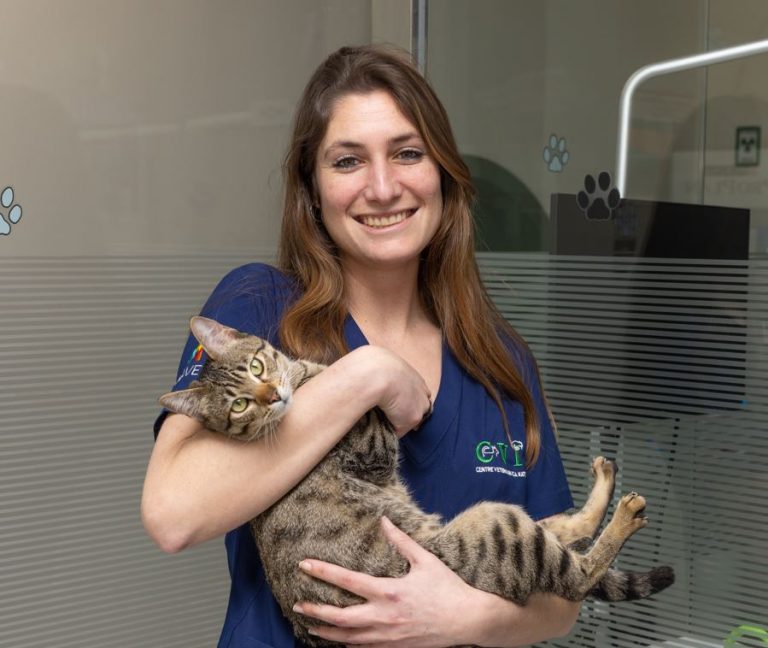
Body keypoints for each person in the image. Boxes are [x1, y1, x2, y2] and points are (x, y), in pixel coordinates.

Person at [142, 44, 579, 647]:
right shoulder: (259, 306)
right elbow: (172, 514)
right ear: (313, 189)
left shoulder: (501, 361)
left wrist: (461, 618)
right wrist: (365, 376)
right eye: (348, 161)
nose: (382, 187)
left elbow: (561, 598)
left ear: (442, 173)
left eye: (407, 153)